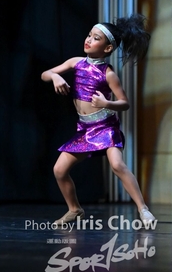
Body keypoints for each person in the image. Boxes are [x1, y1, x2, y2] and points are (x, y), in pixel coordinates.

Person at [40, 13, 156, 226]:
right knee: (59, 170)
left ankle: (143, 208)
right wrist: (55, 76)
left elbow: (125, 103)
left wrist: (107, 103)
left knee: (117, 165)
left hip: (105, 127)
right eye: (89, 35)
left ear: (108, 48)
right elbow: (45, 74)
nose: (88, 40)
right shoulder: (76, 62)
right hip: (85, 129)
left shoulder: (108, 73)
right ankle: (75, 209)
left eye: (95, 38)